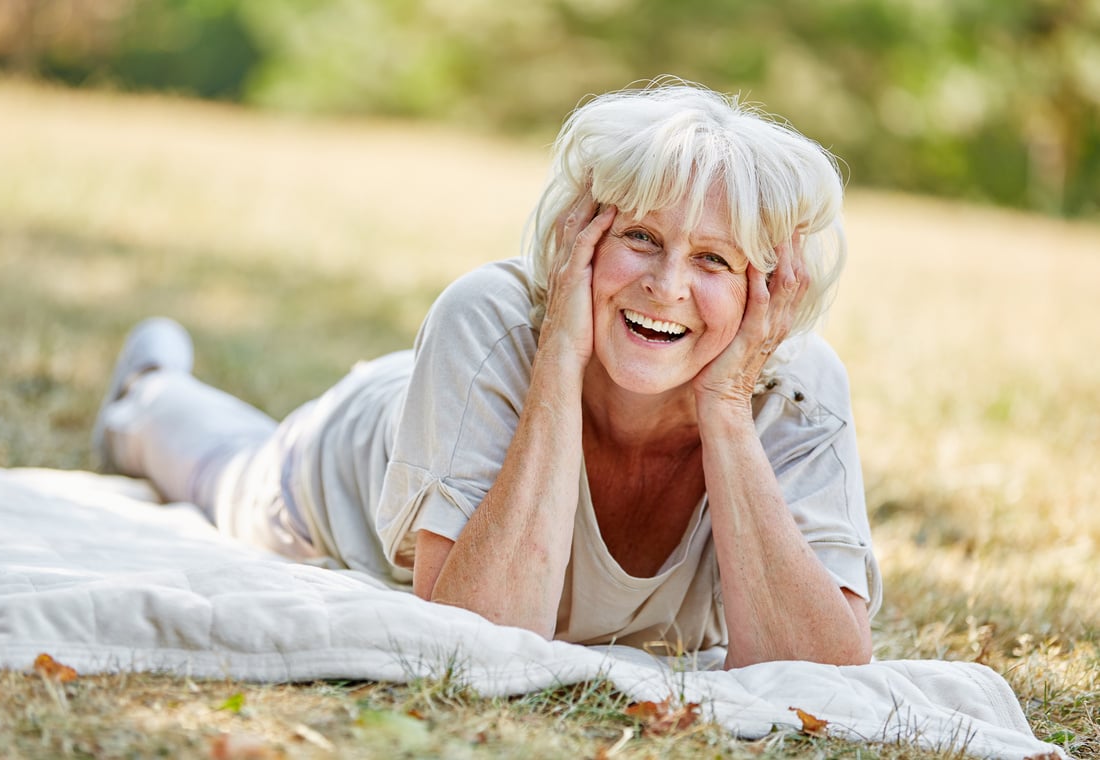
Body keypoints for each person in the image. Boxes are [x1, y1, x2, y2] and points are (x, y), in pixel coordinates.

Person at [92, 78, 881, 668]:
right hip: (347, 459)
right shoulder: (487, 315)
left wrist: (725, 406)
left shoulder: (796, 388)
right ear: (581, 237)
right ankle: (149, 395)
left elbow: (825, 672)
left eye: (713, 258)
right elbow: (478, 635)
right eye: (640, 237)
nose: (668, 285)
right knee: (225, 472)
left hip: (505, 407)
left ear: (771, 288)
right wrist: (558, 362)